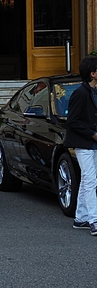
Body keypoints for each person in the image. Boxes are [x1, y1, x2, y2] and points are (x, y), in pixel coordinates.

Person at [65, 55, 97, 235]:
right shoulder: (80, 93)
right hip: (83, 143)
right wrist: (93, 134)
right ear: (93, 74)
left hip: (91, 143)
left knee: (88, 179)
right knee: (91, 180)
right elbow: (73, 121)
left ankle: (80, 217)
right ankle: (94, 220)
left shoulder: (93, 92)